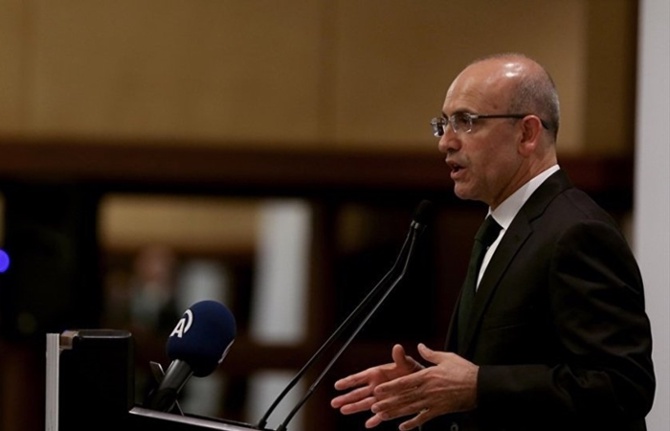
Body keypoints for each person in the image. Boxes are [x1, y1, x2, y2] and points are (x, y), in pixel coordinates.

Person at [330, 53, 655, 431]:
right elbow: (500, 372)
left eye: (466, 121)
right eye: (443, 124)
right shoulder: (503, 228)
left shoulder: (576, 233)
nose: (446, 143)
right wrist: (429, 385)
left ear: (527, 134)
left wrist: (477, 386)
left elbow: (622, 386)